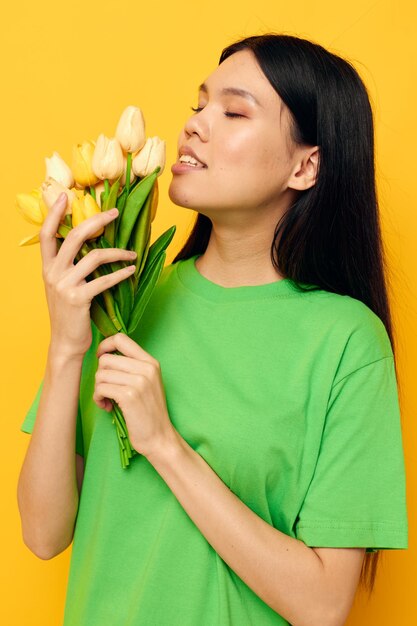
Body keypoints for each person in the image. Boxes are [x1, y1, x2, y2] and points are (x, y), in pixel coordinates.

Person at [17, 33, 408, 626]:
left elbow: (324, 606)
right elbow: (44, 534)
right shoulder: (122, 298)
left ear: (306, 166)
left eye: (234, 111)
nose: (196, 125)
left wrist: (164, 444)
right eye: (199, 105)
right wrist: (68, 345)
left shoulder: (346, 342)